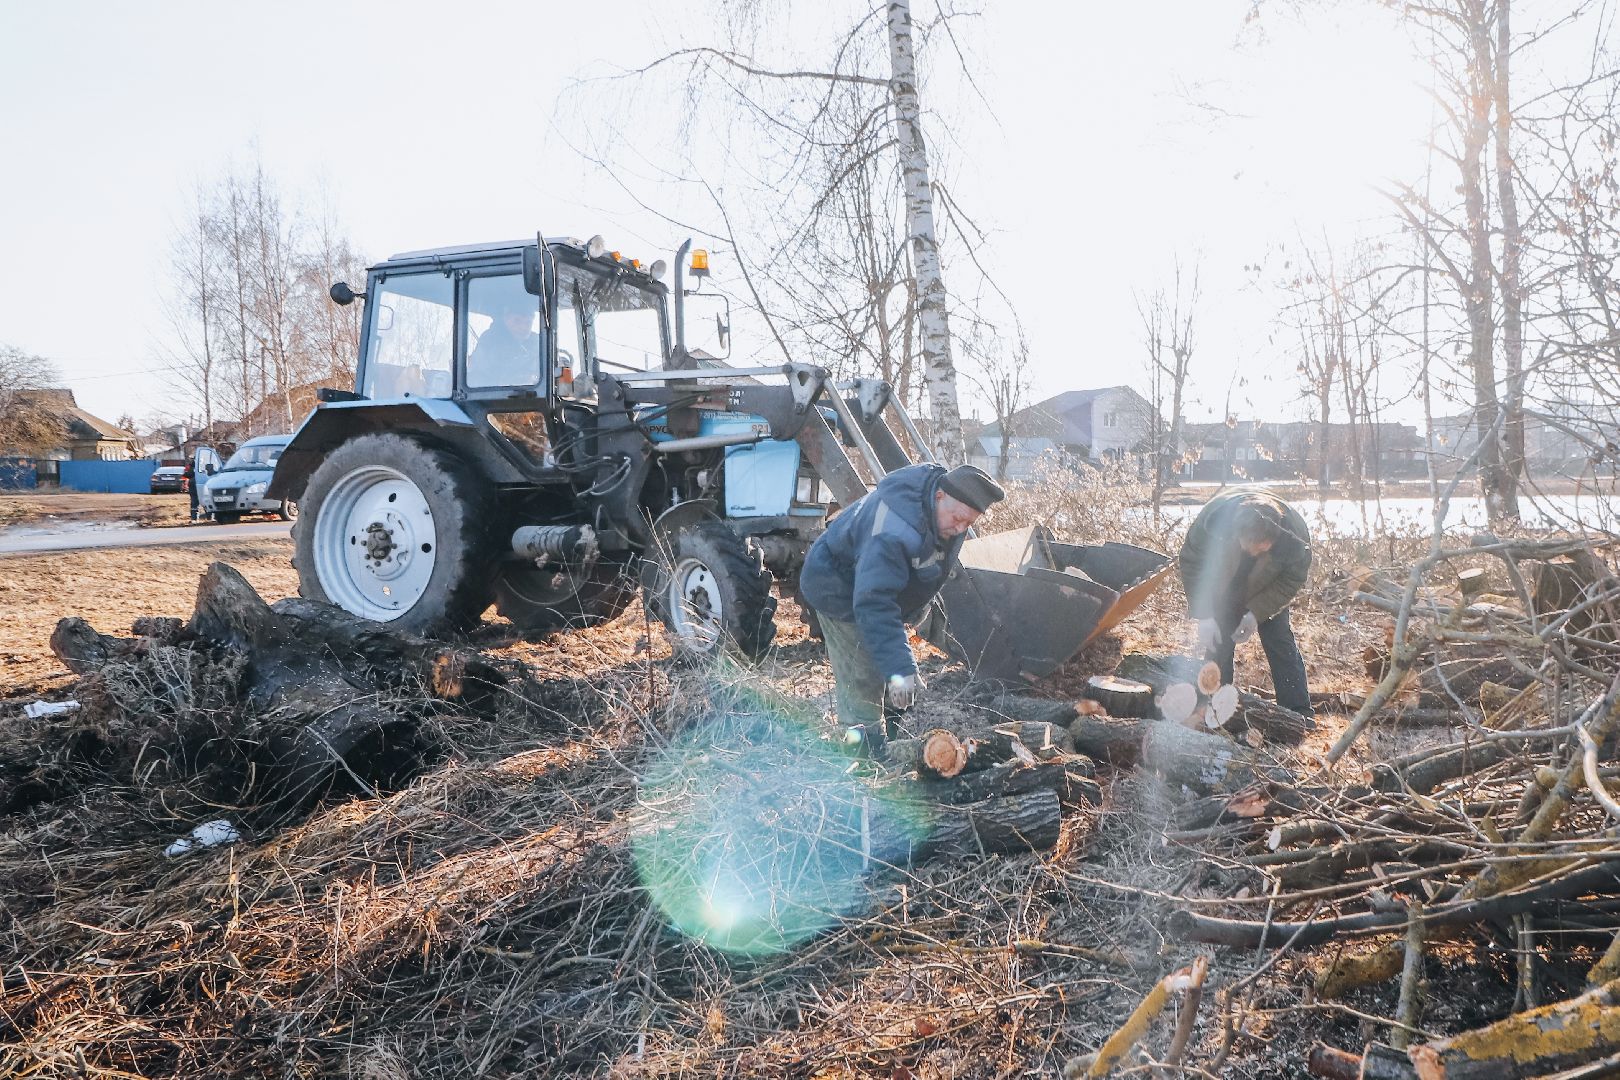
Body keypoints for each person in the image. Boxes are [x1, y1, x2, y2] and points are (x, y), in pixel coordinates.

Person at [799, 462, 1006, 749]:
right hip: (838, 588)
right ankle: (862, 757)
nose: (960, 528)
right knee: (863, 675)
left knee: (895, 675)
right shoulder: (893, 531)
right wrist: (901, 668)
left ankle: (899, 742)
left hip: (875, 589)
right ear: (939, 496)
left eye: (968, 524)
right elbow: (874, 603)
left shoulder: (939, 507)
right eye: (958, 518)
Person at [1179, 489, 1313, 716]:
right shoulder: (1213, 524)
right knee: (1218, 641)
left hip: (1270, 584)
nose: (1254, 551)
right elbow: (1192, 564)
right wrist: (1205, 614)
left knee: (1279, 638)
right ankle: (1213, 707)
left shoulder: (1294, 538)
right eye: (1250, 545)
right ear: (1236, 531)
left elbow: (1293, 579)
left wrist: (1256, 613)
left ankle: (1297, 712)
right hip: (1224, 583)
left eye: (1262, 546)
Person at [467, 305, 539, 387]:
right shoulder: (490, 340)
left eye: (528, 322)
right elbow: (480, 375)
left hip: (533, 395)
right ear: (506, 320)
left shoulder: (539, 343)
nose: (523, 327)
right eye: (517, 321)